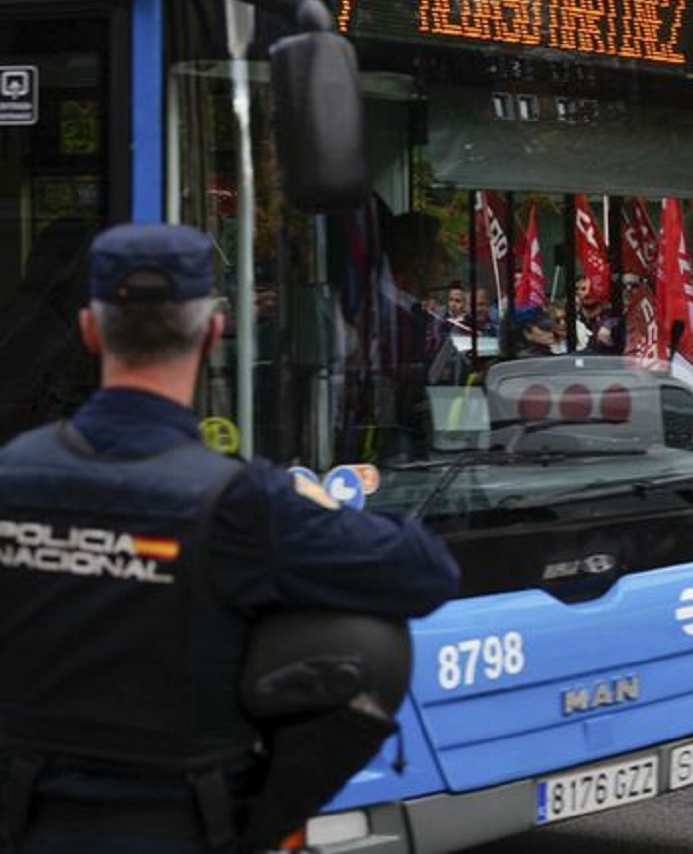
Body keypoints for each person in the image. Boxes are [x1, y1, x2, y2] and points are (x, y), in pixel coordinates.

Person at [0, 223, 460, 853]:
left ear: (88, 330)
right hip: (179, 826)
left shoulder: (13, 474)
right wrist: (320, 503)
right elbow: (426, 571)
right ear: (213, 332)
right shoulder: (240, 501)